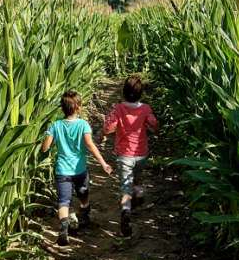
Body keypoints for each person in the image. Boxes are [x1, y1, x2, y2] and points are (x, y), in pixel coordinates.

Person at [42, 90, 112, 247]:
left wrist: (46, 140)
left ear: (62, 109)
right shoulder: (83, 125)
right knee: (83, 195)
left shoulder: (56, 125)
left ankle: (63, 229)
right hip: (79, 170)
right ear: (78, 108)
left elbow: (45, 147)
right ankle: (85, 218)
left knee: (63, 201)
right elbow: (89, 144)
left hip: (62, 171)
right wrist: (103, 163)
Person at [102, 75, 159, 237]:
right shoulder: (146, 109)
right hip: (141, 153)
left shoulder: (119, 109)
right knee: (138, 177)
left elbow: (109, 128)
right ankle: (140, 194)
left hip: (124, 155)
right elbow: (154, 124)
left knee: (125, 185)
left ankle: (126, 210)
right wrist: (155, 130)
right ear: (141, 93)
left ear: (124, 92)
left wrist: (110, 132)